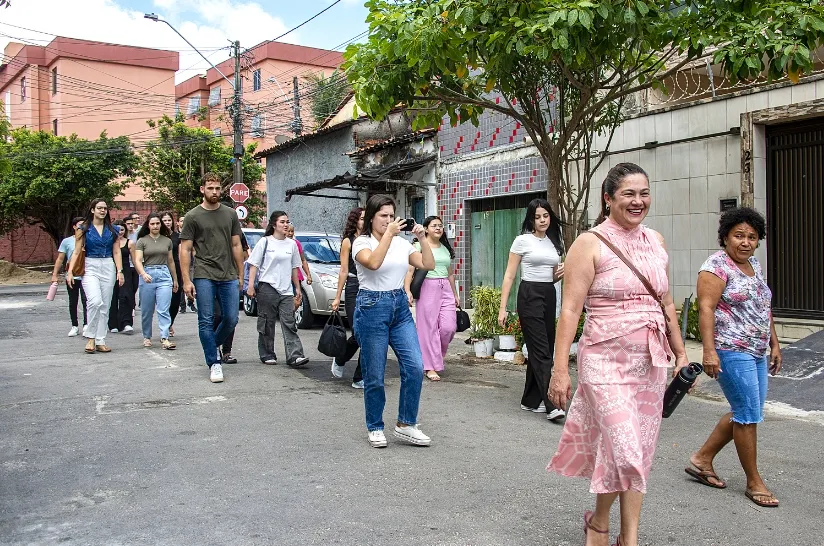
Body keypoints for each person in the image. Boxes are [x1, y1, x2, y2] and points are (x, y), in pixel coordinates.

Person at [547, 163, 689, 546]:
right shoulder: (589, 243)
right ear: (608, 198)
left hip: (650, 363)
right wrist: (561, 368)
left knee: (636, 451)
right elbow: (571, 310)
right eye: (628, 194)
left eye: (644, 193)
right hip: (604, 362)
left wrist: (681, 354)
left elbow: (666, 301)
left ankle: (623, 535)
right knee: (625, 447)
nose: (638, 201)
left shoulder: (655, 241)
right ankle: (600, 522)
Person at [685, 207, 782, 508]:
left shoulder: (754, 265)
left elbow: (764, 307)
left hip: (756, 350)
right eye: (739, 235)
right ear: (725, 236)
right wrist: (709, 351)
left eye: (752, 237)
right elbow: (706, 309)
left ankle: (702, 459)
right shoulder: (715, 266)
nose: (745, 242)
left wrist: (775, 344)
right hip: (730, 349)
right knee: (748, 413)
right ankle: (754, 483)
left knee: (746, 410)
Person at [352, 194, 435, 448]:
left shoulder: (401, 244)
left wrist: (422, 238)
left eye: (392, 216)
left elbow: (428, 264)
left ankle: (406, 423)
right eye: (383, 216)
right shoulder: (361, 243)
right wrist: (389, 234)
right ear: (372, 217)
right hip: (372, 307)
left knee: (414, 366)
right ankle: (375, 426)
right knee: (375, 374)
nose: (388, 221)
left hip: (399, 306)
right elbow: (374, 263)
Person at [497, 198, 566, 420]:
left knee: (543, 346)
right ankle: (551, 403)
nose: (542, 220)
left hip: (549, 294)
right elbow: (510, 275)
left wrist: (562, 273)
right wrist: (503, 307)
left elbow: (553, 276)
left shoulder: (555, 241)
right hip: (529, 295)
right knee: (541, 350)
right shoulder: (522, 241)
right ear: (531, 219)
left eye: (545, 215)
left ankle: (530, 399)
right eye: (537, 217)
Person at [179, 173, 245, 383]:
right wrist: (186, 280)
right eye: (210, 188)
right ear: (202, 190)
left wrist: (240, 273)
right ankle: (214, 362)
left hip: (228, 274)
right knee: (206, 320)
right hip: (204, 274)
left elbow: (237, 245)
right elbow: (185, 249)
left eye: (217, 188)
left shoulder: (230, 214)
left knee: (232, 318)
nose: (215, 192)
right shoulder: (192, 216)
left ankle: (212, 344)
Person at [247, 211, 310, 367]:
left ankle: (295, 356)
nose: (285, 225)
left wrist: (297, 288)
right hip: (267, 287)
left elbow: (295, 267)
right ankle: (267, 353)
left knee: (289, 322)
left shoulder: (292, 244)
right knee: (267, 322)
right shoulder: (265, 242)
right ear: (274, 224)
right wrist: (250, 285)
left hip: (286, 290)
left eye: (287, 221)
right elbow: (254, 264)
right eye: (282, 222)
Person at [404, 215, 459, 382]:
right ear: (426, 229)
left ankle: (436, 358)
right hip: (428, 286)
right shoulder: (418, 245)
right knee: (428, 328)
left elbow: (449, 273)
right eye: (434, 225)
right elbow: (410, 270)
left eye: (440, 226)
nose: (438, 228)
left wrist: (455, 293)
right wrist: (407, 290)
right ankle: (429, 366)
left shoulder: (444, 248)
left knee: (449, 327)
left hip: (446, 289)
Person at [68, 199, 125, 354]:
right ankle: (91, 337)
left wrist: (120, 271)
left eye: (105, 208)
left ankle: (100, 339)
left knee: (105, 305)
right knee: (95, 301)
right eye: (99, 208)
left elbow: (117, 251)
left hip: (108, 264)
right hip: (90, 265)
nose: (103, 210)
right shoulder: (84, 228)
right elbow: (77, 251)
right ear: (92, 210)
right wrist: (70, 271)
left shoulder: (113, 229)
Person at [331, 207, 365, 388]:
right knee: (358, 333)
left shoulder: (373, 240)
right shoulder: (348, 241)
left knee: (368, 335)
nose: (364, 221)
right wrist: (337, 297)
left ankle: (359, 377)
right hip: (353, 287)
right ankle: (341, 358)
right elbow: (343, 270)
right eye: (361, 219)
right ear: (354, 221)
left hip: (371, 288)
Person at [134, 212, 178, 350]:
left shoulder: (167, 240)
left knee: (163, 308)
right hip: (148, 273)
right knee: (147, 310)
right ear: (148, 225)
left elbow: (170, 261)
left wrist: (175, 279)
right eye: (152, 223)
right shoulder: (142, 241)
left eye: (158, 223)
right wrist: (142, 273)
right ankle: (147, 336)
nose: (155, 226)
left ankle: (164, 337)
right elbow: (137, 260)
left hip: (164, 274)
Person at [51, 216, 88, 337]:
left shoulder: (89, 239)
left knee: (86, 300)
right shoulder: (67, 241)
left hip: (87, 275)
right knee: (73, 301)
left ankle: (87, 325)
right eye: (80, 225)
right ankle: (75, 326)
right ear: (74, 226)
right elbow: (60, 258)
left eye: (84, 225)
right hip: (72, 275)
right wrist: (55, 274)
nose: (82, 227)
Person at [160, 212, 183, 337]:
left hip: (176, 267)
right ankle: (165, 325)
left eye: (169, 220)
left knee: (175, 301)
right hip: (162, 268)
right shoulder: (158, 236)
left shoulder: (177, 236)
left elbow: (181, 254)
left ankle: (170, 322)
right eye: (165, 220)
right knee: (164, 300)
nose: (167, 222)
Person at [108, 222, 125, 333]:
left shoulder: (128, 242)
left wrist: (120, 271)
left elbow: (117, 252)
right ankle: (111, 323)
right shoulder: (87, 230)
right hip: (100, 267)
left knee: (124, 297)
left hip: (118, 269)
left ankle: (124, 322)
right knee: (109, 298)